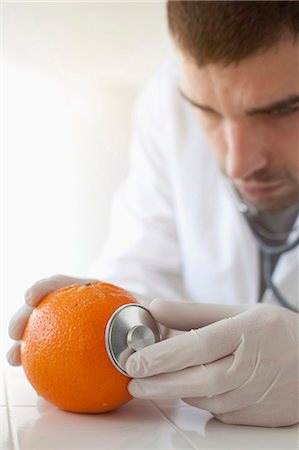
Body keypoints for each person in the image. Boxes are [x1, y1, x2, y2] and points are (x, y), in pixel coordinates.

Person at [7, 1, 299, 427]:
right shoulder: (167, 100)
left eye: (282, 109)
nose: (238, 164)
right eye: (206, 111)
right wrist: (118, 318)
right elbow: (143, 265)